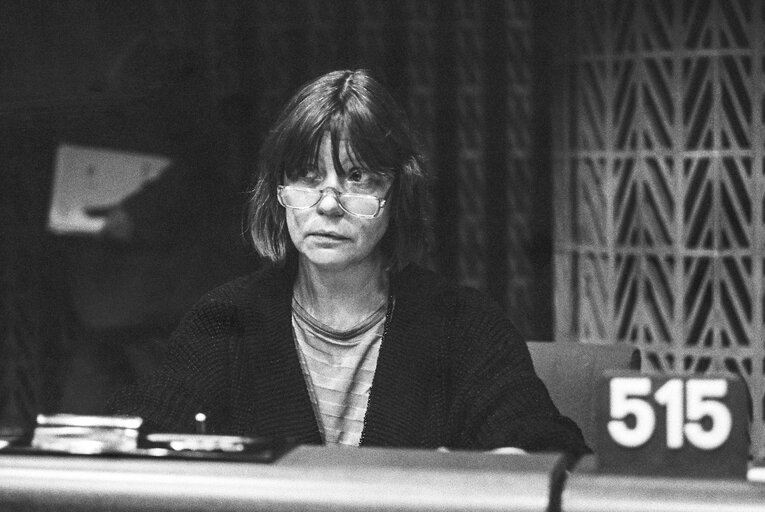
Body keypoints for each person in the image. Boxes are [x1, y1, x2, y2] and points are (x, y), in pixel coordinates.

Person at [108, 69, 589, 457]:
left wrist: (508, 465)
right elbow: (139, 438)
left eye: (357, 177)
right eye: (306, 177)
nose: (328, 204)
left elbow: (546, 448)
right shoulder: (226, 320)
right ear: (279, 193)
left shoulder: (462, 326)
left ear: (396, 192)